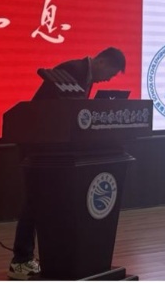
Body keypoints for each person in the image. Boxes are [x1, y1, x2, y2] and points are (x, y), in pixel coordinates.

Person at [7, 47, 126, 280]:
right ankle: (20, 260)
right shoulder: (72, 70)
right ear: (102, 62)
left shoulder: (86, 76)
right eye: (110, 74)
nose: (108, 80)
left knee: (50, 203)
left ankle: (54, 256)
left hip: (56, 150)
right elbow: (54, 112)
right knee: (34, 202)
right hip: (38, 146)